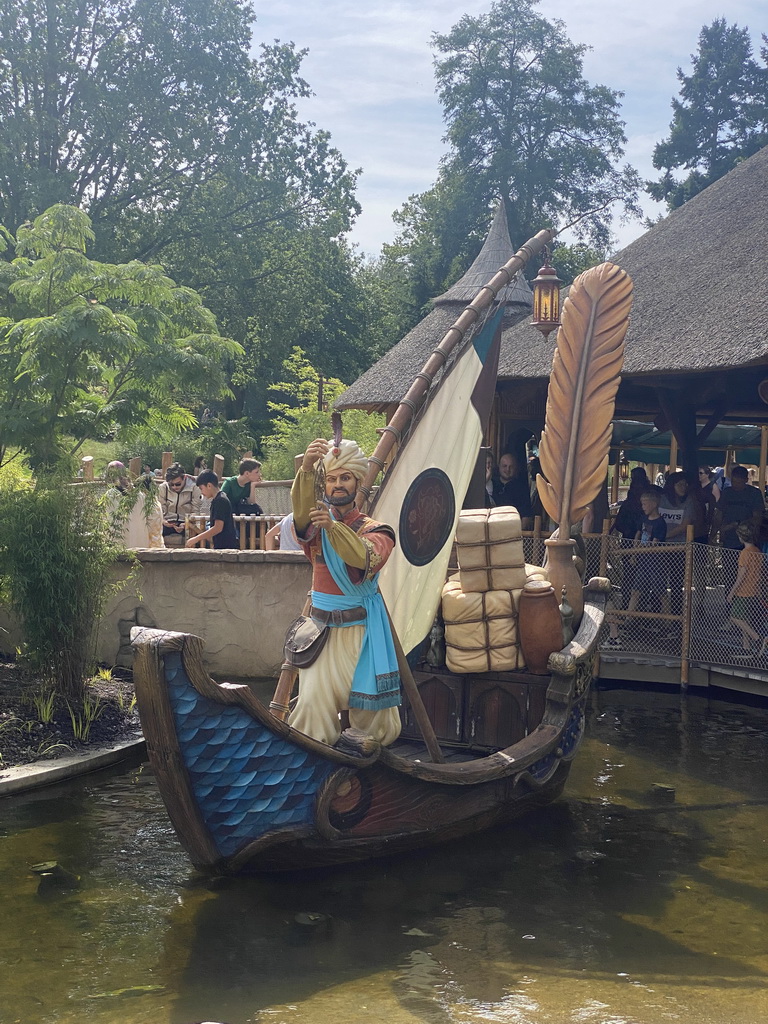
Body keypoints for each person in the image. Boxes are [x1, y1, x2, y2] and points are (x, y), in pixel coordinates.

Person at [288, 436, 402, 747]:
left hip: (363, 636)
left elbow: (364, 557)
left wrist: (333, 528)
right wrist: (308, 468)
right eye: (333, 478)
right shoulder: (314, 528)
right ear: (324, 485)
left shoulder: (378, 531)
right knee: (310, 710)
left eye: (346, 478)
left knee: (374, 719)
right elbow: (300, 517)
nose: (338, 485)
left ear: (357, 482)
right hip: (321, 635)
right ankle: (313, 767)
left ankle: (369, 766)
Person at [625, 487, 667, 629]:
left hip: (655, 563)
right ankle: (629, 619)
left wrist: (643, 549)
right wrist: (634, 553)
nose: (643, 507)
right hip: (642, 561)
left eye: (645, 504)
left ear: (654, 504)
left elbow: (655, 542)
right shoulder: (643, 519)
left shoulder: (660, 523)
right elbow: (638, 534)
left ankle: (667, 621)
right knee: (635, 590)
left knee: (660, 592)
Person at [727, 523, 768, 657]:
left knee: (734, 617)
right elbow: (761, 573)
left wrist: (732, 591)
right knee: (745, 618)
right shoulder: (757, 551)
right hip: (755, 589)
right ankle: (746, 647)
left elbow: (741, 575)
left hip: (743, 591)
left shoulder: (745, 553)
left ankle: (758, 638)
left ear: (740, 536)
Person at [105, 465, 164, 549]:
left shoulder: (110, 495)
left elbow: (107, 520)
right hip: (141, 544)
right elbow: (154, 521)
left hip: (118, 544)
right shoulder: (142, 495)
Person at [710, 465, 764, 550]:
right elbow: (718, 515)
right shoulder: (727, 492)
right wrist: (713, 534)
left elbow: (757, 517)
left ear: (746, 480)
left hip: (748, 540)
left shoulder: (754, 493)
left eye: (739, 483)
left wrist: (738, 524)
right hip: (728, 539)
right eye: (733, 481)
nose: (735, 485)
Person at [185, 470, 238, 549]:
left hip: (226, 547)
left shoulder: (220, 501)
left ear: (209, 485)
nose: (201, 492)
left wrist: (196, 539)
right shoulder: (217, 499)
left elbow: (218, 528)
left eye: (201, 488)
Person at [158, 462, 202, 540]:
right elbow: (160, 510)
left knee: (197, 533)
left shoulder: (194, 488)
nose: (174, 487)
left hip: (187, 522)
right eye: (171, 484)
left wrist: (186, 523)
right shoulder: (163, 487)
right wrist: (164, 521)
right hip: (168, 522)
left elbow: (195, 510)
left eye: (178, 484)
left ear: (184, 478)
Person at [492, 452, 532, 525]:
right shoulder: (492, 485)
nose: (507, 469)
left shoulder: (522, 489)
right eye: (504, 466)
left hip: (513, 529)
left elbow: (526, 516)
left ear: (516, 468)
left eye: (511, 467)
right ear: (499, 467)